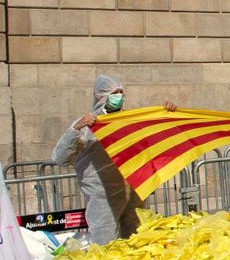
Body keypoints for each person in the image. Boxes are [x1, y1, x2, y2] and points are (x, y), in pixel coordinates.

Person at [53, 76, 176, 245]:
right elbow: (60, 158)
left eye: (121, 93)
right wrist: (76, 129)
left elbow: (154, 139)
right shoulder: (87, 125)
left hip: (132, 191)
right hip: (102, 195)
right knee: (105, 244)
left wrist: (167, 115)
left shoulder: (128, 120)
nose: (119, 97)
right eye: (114, 93)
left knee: (137, 241)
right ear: (100, 96)